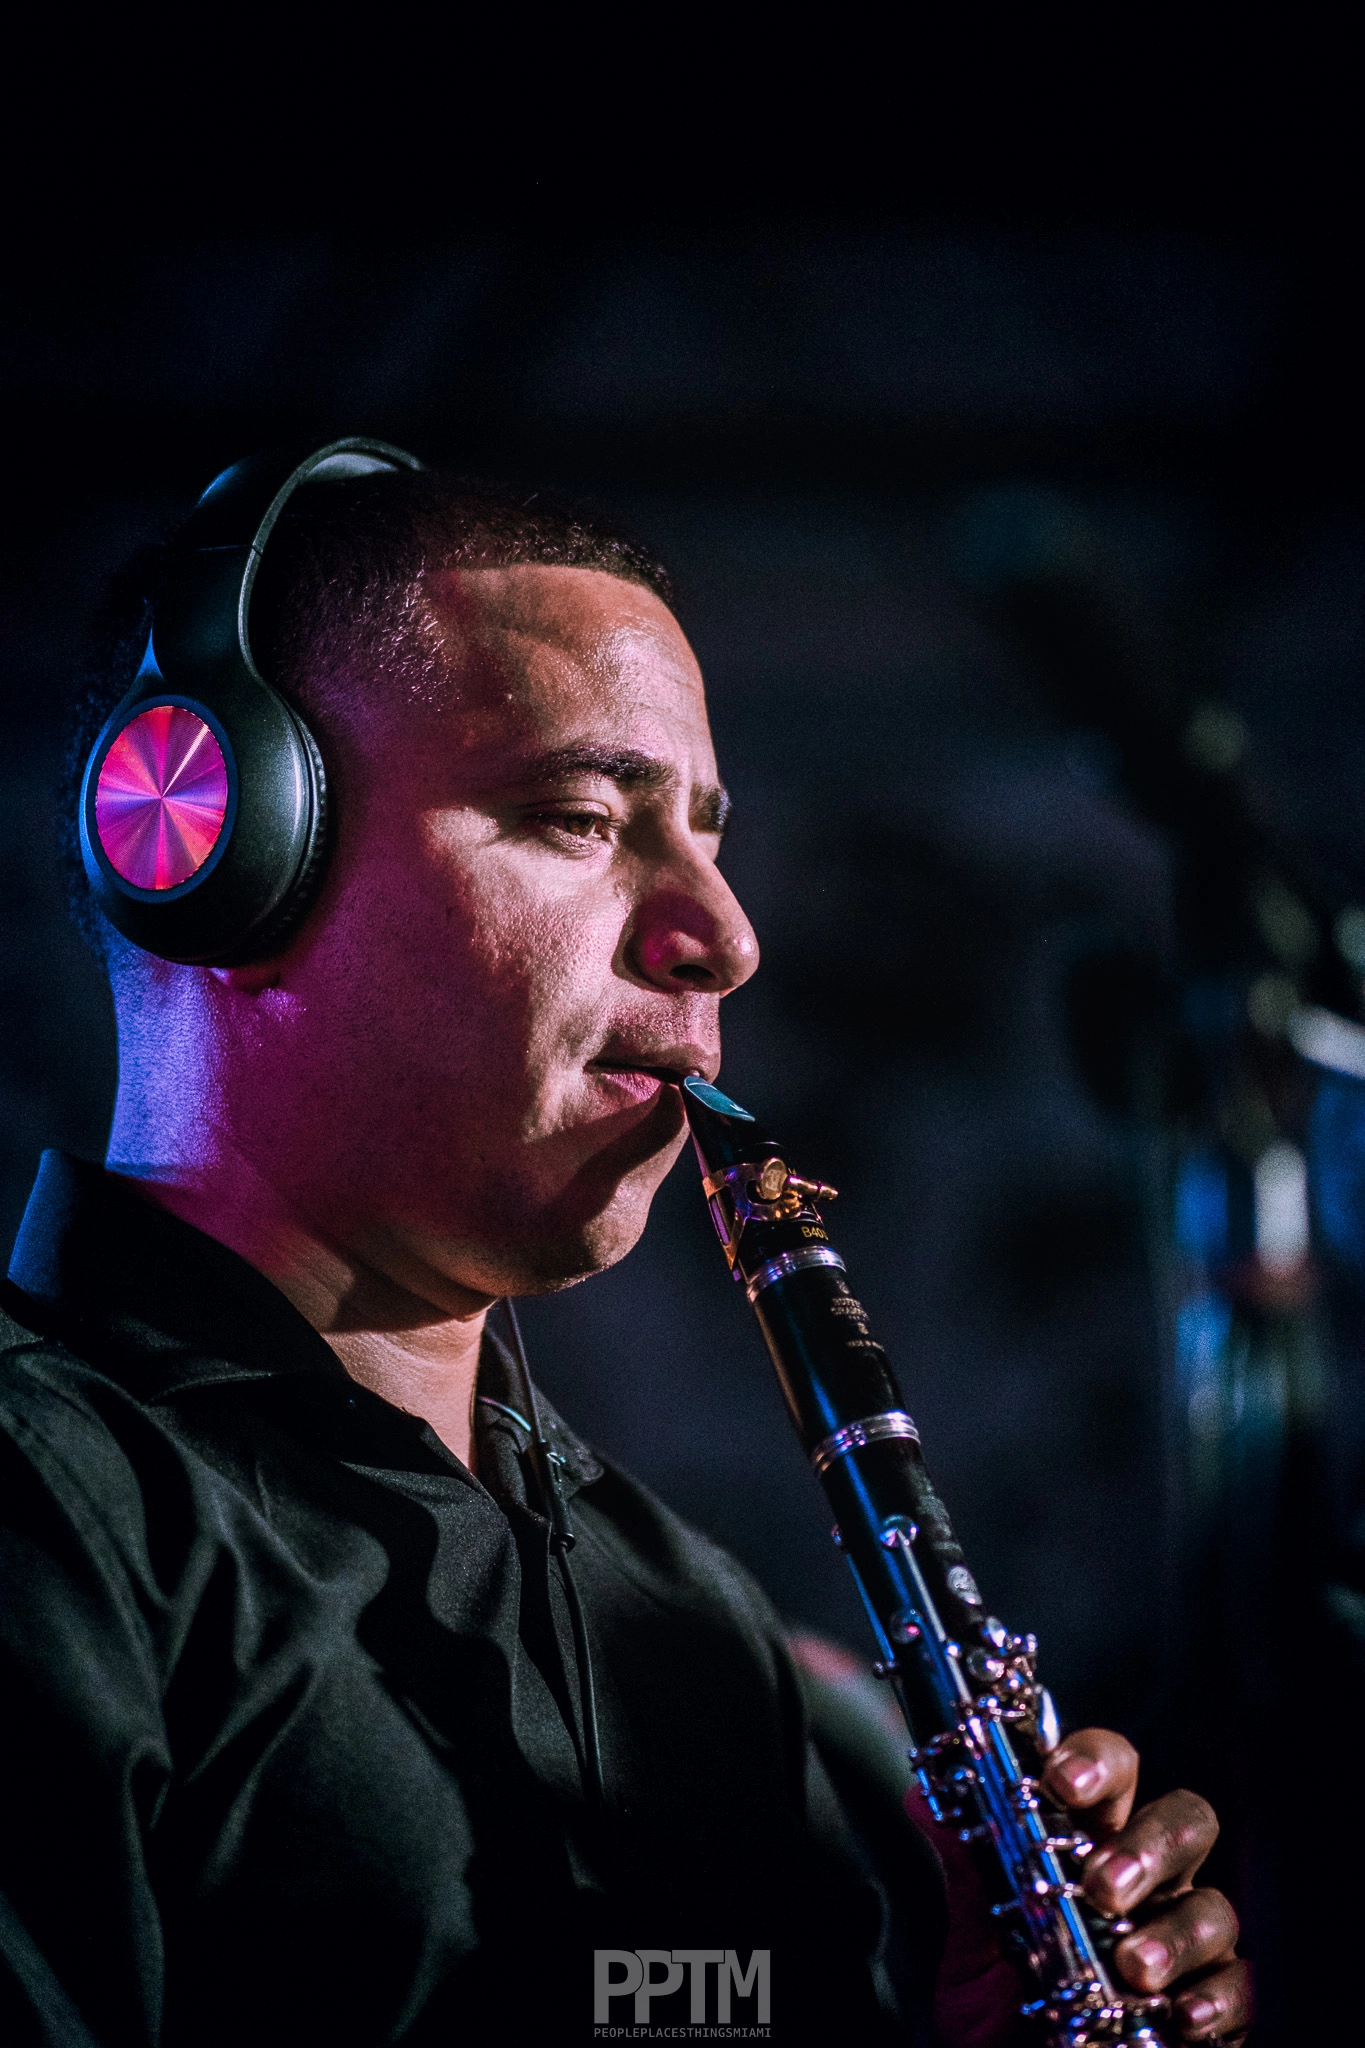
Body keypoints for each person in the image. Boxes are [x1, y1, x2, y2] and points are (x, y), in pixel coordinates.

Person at [0, 461, 1250, 2047]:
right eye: (583, 819)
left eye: (707, 834)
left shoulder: (694, 1623)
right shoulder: (48, 1513)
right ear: (220, 854)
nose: (724, 936)